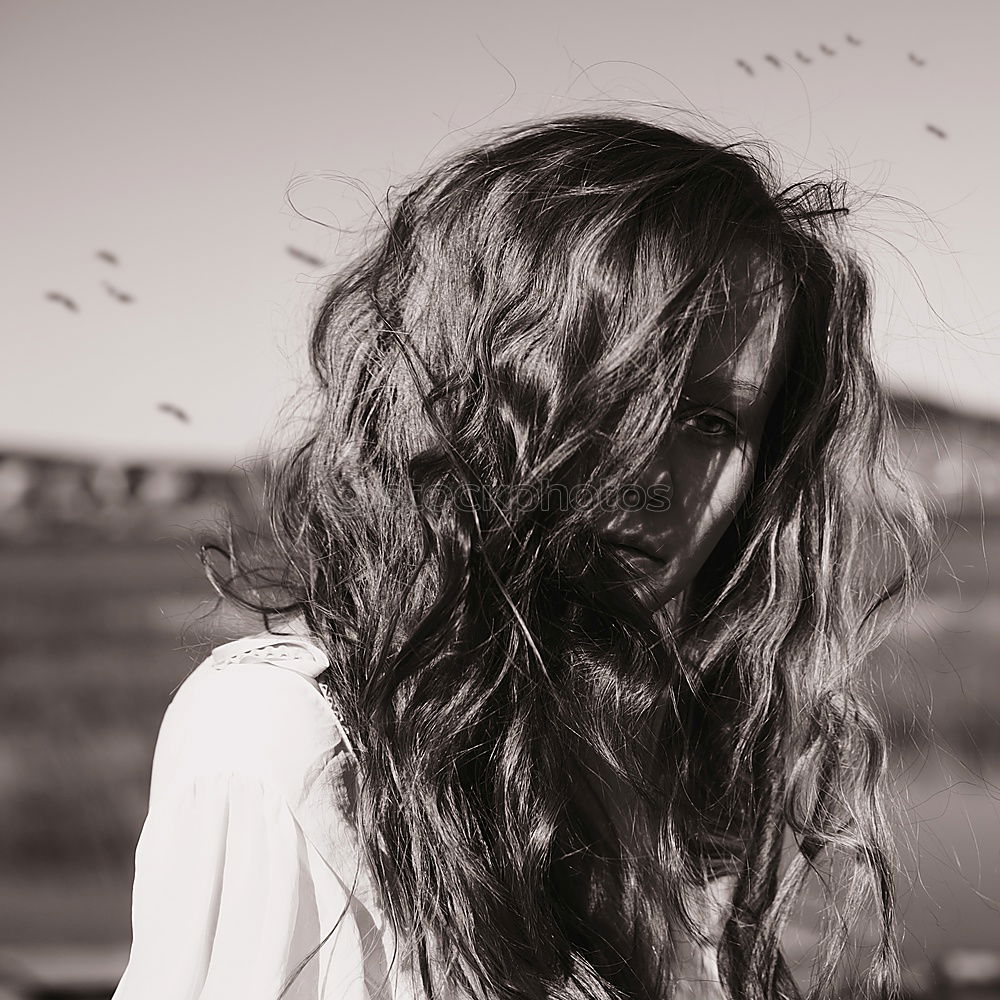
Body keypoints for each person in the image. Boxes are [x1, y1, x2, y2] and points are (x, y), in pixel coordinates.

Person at [112, 113, 930, 1000]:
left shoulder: (665, 753)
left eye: (710, 421)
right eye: (613, 392)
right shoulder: (289, 735)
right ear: (469, 387)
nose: (654, 475)